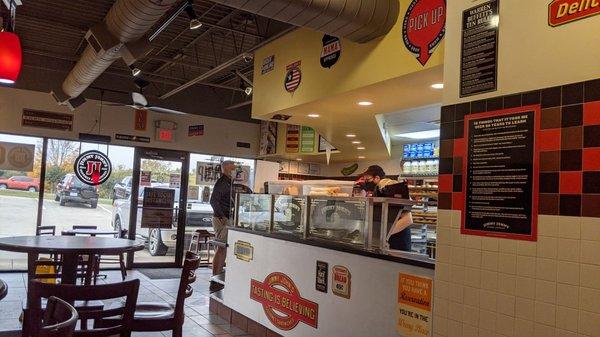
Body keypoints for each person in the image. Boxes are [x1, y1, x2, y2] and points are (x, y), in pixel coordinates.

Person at [358, 165, 412, 251]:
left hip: (398, 243)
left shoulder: (391, 187)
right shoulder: (379, 190)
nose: (366, 183)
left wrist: (382, 236)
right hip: (388, 243)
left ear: (377, 178)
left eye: (367, 180)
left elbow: (407, 220)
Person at [209, 160, 236, 280]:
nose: (235, 171)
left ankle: (218, 275)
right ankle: (215, 277)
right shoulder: (222, 183)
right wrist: (222, 217)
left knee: (223, 248)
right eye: (233, 169)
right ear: (226, 169)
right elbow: (213, 201)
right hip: (222, 219)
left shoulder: (229, 183)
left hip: (227, 217)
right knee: (220, 248)